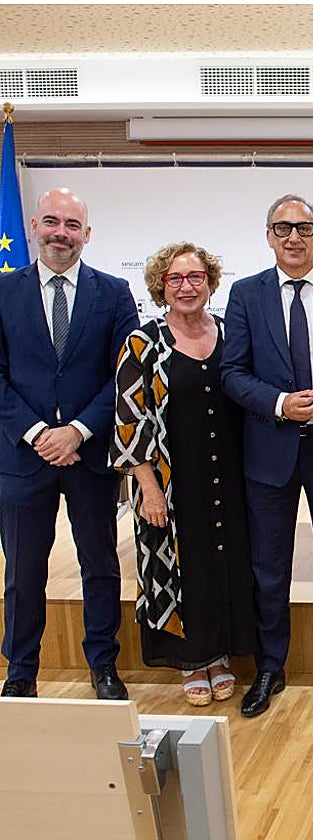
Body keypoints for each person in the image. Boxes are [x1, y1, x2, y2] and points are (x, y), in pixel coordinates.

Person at [221, 194, 313, 717]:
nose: (293, 237)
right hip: (269, 451)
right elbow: (233, 373)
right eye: (282, 228)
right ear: (268, 236)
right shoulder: (245, 295)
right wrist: (280, 402)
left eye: (304, 228)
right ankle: (270, 667)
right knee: (269, 567)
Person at [0, 188, 138, 700]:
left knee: (100, 565)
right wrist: (39, 434)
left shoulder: (114, 293)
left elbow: (125, 375)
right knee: (23, 572)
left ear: (87, 233)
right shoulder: (4, 291)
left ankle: (103, 665)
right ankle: (20, 673)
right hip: (22, 457)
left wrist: (77, 430)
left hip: (90, 455)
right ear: (35, 225)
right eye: (53, 222)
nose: (62, 233)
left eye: (73, 225)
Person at [110, 242, 255, 705]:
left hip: (232, 475)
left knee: (224, 561)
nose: (187, 287)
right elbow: (128, 423)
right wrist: (148, 488)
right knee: (183, 565)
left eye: (196, 277)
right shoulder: (142, 343)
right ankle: (193, 660)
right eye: (176, 279)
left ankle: (221, 655)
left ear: (211, 282)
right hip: (171, 482)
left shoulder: (234, 334)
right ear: (161, 286)